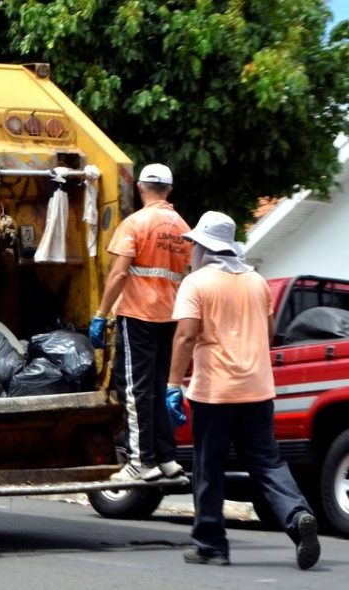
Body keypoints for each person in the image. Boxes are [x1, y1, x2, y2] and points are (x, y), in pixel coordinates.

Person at [168, 211, 321, 569]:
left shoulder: (197, 283)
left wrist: (173, 384)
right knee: (267, 462)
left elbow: (186, 335)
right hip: (258, 389)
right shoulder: (258, 282)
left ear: (204, 247)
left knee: (208, 466)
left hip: (215, 392)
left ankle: (211, 546)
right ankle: (298, 517)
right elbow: (268, 335)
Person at [89, 163, 191, 481]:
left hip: (138, 316)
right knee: (160, 388)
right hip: (171, 317)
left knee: (134, 389)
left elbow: (120, 272)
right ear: (170, 190)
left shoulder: (135, 223)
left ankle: (140, 462)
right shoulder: (183, 228)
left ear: (140, 187)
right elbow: (187, 275)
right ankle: (166, 459)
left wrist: (101, 314)